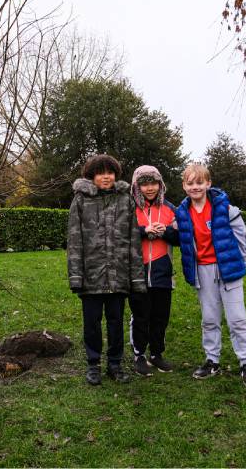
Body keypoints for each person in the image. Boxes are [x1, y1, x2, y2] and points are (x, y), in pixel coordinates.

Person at [175, 163, 246, 388]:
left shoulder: (225, 208)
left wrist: (243, 263)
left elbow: (241, 236)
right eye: (190, 183)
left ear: (208, 183)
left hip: (228, 269)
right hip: (202, 271)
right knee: (209, 319)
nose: (195, 187)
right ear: (184, 186)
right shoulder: (182, 213)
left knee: (237, 319)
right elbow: (178, 236)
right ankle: (212, 360)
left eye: (199, 182)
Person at [68, 154, 146, 385]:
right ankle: (93, 364)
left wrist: (136, 278)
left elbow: (133, 240)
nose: (106, 176)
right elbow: (74, 241)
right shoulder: (80, 201)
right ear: (92, 175)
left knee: (116, 322)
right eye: (101, 172)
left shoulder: (125, 200)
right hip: (91, 276)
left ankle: (115, 363)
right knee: (91, 323)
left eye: (110, 172)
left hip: (119, 276)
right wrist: (76, 276)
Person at [128, 165, 180, 376]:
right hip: (136, 272)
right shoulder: (129, 208)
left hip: (162, 273)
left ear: (160, 185)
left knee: (160, 316)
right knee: (140, 315)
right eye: (144, 184)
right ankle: (139, 355)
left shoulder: (170, 209)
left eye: (153, 183)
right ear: (136, 186)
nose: (149, 188)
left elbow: (179, 238)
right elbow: (121, 233)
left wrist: (164, 231)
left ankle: (156, 354)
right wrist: (143, 231)